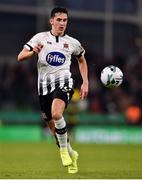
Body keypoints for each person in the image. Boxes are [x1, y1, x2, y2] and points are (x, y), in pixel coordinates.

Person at [17, 7, 89, 174]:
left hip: (64, 82)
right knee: (53, 130)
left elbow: (82, 60)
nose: (62, 23)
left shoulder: (72, 42)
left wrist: (85, 82)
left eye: (65, 20)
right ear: (51, 21)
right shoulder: (40, 38)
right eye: (59, 20)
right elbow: (20, 56)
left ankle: (63, 152)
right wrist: (32, 52)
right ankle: (72, 153)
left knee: (57, 114)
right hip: (43, 88)